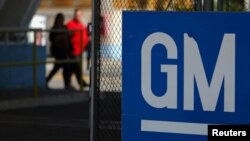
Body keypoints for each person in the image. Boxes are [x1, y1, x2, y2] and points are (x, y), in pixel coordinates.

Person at [66, 8, 90, 89]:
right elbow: (68, 36)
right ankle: (81, 83)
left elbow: (85, 36)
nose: (78, 16)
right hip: (73, 51)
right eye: (76, 15)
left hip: (80, 51)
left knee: (73, 69)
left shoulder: (81, 25)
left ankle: (71, 84)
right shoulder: (70, 24)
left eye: (79, 15)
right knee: (76, 68)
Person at [46, 13, 71, 89]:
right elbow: (52, 39)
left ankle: (67, 85)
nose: (61, 20)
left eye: (62, 18)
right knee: (64, 67)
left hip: (64, 50)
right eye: (60, 18)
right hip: (58, 51)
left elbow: (68, 37)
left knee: (60, 67)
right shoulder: (54, 28)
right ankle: (67, 85)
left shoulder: (64, 27)